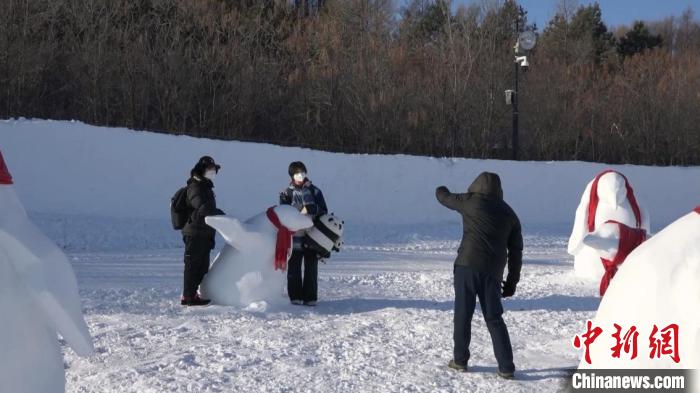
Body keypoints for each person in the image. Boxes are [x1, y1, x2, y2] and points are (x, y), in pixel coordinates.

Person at [436, 172, 523, 379]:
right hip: (492, 273)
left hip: (466, 267)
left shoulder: (469, 202)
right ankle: (506, 367)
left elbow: (444, 197)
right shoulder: (510, 214)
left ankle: (460, 360)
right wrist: (512, 282)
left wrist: (440, 188)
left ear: (475, 185)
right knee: (494, 318)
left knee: (463, 314)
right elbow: (516, 251)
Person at [279, 161, 328, 306]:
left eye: (303, 171)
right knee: (294, 267)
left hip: (313, 235)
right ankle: (295, 296)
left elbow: (324, 210)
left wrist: (313, 209)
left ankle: (310, 297)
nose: (301, 175)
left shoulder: (315, 191)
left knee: (311, 267)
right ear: (292, 175)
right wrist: (299, 210)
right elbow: (283, 213)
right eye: (298, 172)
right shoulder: (286, 193)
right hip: (294, 237)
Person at [181, 156, 225, 306]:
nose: (213, 173)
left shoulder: (206, 186)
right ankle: (188, 296)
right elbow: (202, 207)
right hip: (194, 232)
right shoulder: (195, 186)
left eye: (214, 170)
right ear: (202, 170)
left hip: (205, 233)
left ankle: (195, 295)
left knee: (202, 266)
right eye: (210, 170)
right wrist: (219, 213)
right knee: (192, 265)